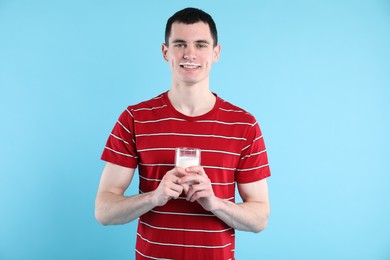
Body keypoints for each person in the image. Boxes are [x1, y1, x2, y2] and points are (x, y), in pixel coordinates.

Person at [95, 7, 271, 259]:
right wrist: (154, 197)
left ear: (216, 52)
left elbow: (259, 218)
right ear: (165, 52)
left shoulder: (244, 125)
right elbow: (104, 211)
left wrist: (215, 203)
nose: (190, 54)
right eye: (180, 44)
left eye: (201, 44)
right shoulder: (135, 118)